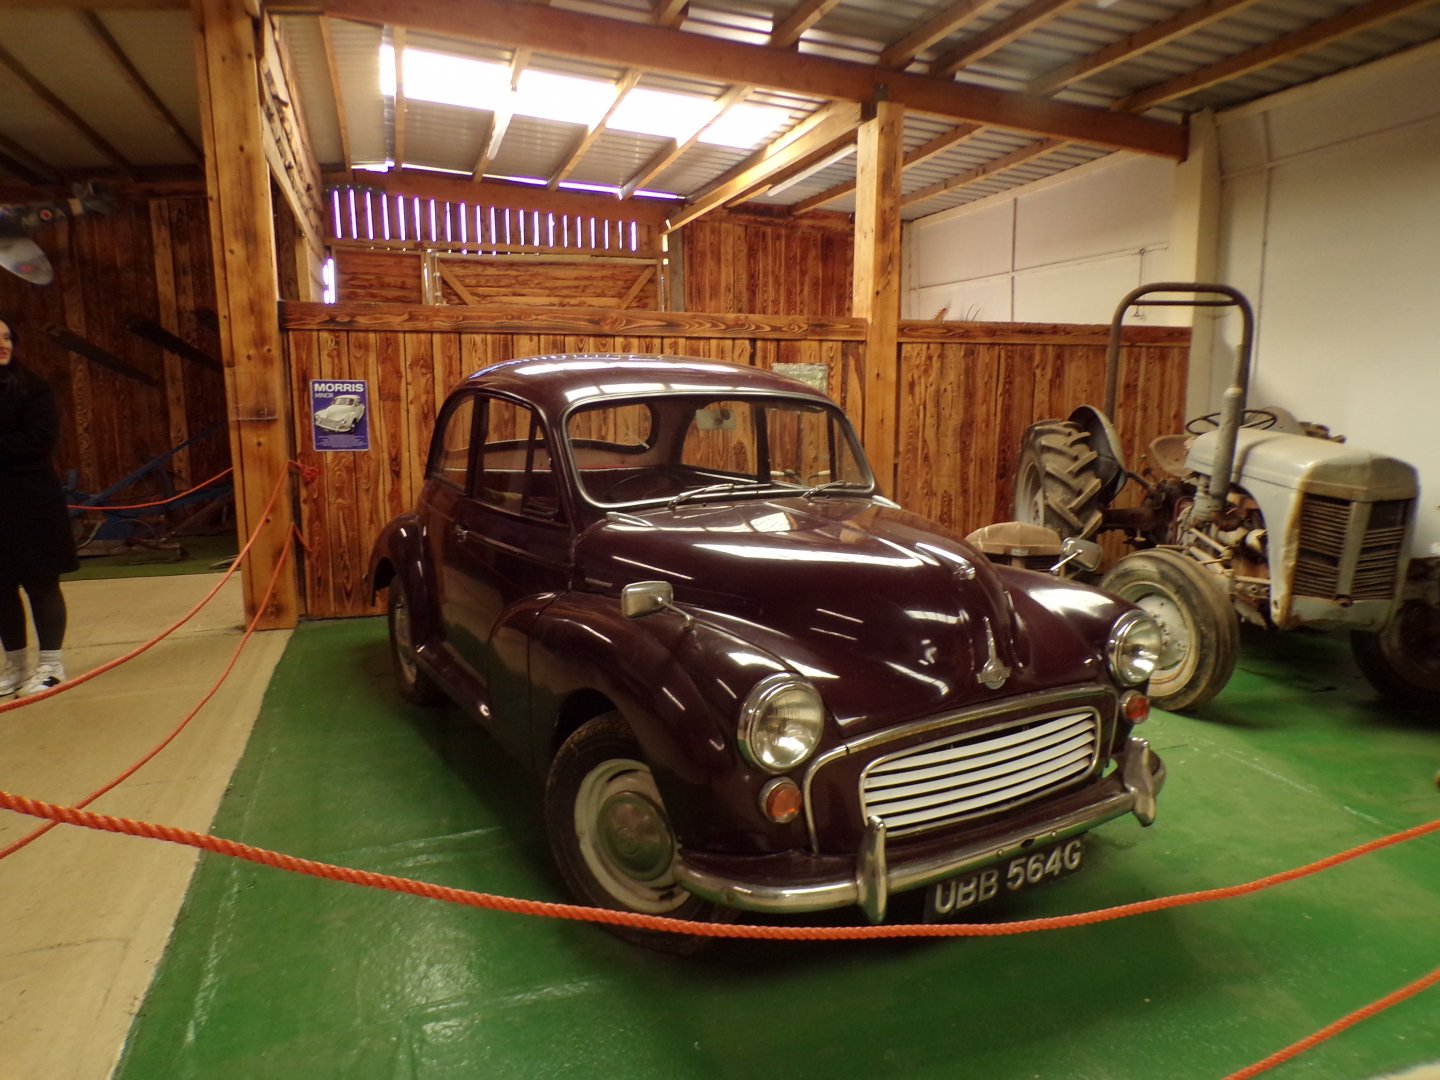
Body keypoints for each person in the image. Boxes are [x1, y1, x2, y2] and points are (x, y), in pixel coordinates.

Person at [0, 315, 78, 697]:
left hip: (32, 499)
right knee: (0, 587)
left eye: (6, 337)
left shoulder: (33, 388)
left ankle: (51, 666)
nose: (3, 344)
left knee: (41, 581)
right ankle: (16, 667)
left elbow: (39, 441)